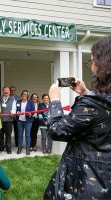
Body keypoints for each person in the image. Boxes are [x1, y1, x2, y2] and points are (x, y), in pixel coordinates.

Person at [44, 36, 111, 199]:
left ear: (103, 64)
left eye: (92, 60)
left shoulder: (92, 104)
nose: (91, 65)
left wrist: (55, 101)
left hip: (86, 183)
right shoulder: (98, 101)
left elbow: (57, 130)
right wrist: (86, 93)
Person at [14, 90, 35, 155]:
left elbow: (33, 111)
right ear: (21, 95)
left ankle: (27, 149)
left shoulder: (30, 102)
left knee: (27, 135)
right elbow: (16, 110)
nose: (24, 95)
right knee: (20, 135)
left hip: (28, 121)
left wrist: (29, 114)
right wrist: (18, 113)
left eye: (26, 94)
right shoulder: (18, 102)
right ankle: (19, 148)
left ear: (27, 96)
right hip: (20, 121)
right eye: (23, 94)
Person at [0, 86, 16, 154]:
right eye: (5, 90)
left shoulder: (13, 99)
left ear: (9, 91)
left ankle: (8, 149)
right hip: (0, 120)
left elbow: (14, 108)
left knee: (8, 135)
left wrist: (13, 113)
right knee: (0, 135)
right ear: (3, 91)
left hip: (9, 120)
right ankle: (1, 147)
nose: (6, 91)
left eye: (7, 90)